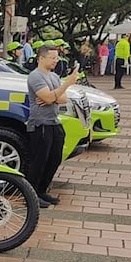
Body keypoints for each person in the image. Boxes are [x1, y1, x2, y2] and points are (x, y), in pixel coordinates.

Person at [26, 45, 79, 208]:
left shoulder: (54, 76)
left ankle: (42, 190)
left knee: (54, 158)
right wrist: (65, 85)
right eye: (53, 58)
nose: (56, 61)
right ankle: (31, 195)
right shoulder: (35, 76)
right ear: (41, 58)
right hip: (40, 123)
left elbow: (62, 99)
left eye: (57, 58)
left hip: (54, 121)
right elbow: (49, 97)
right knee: (39, 161)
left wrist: (52, 96)